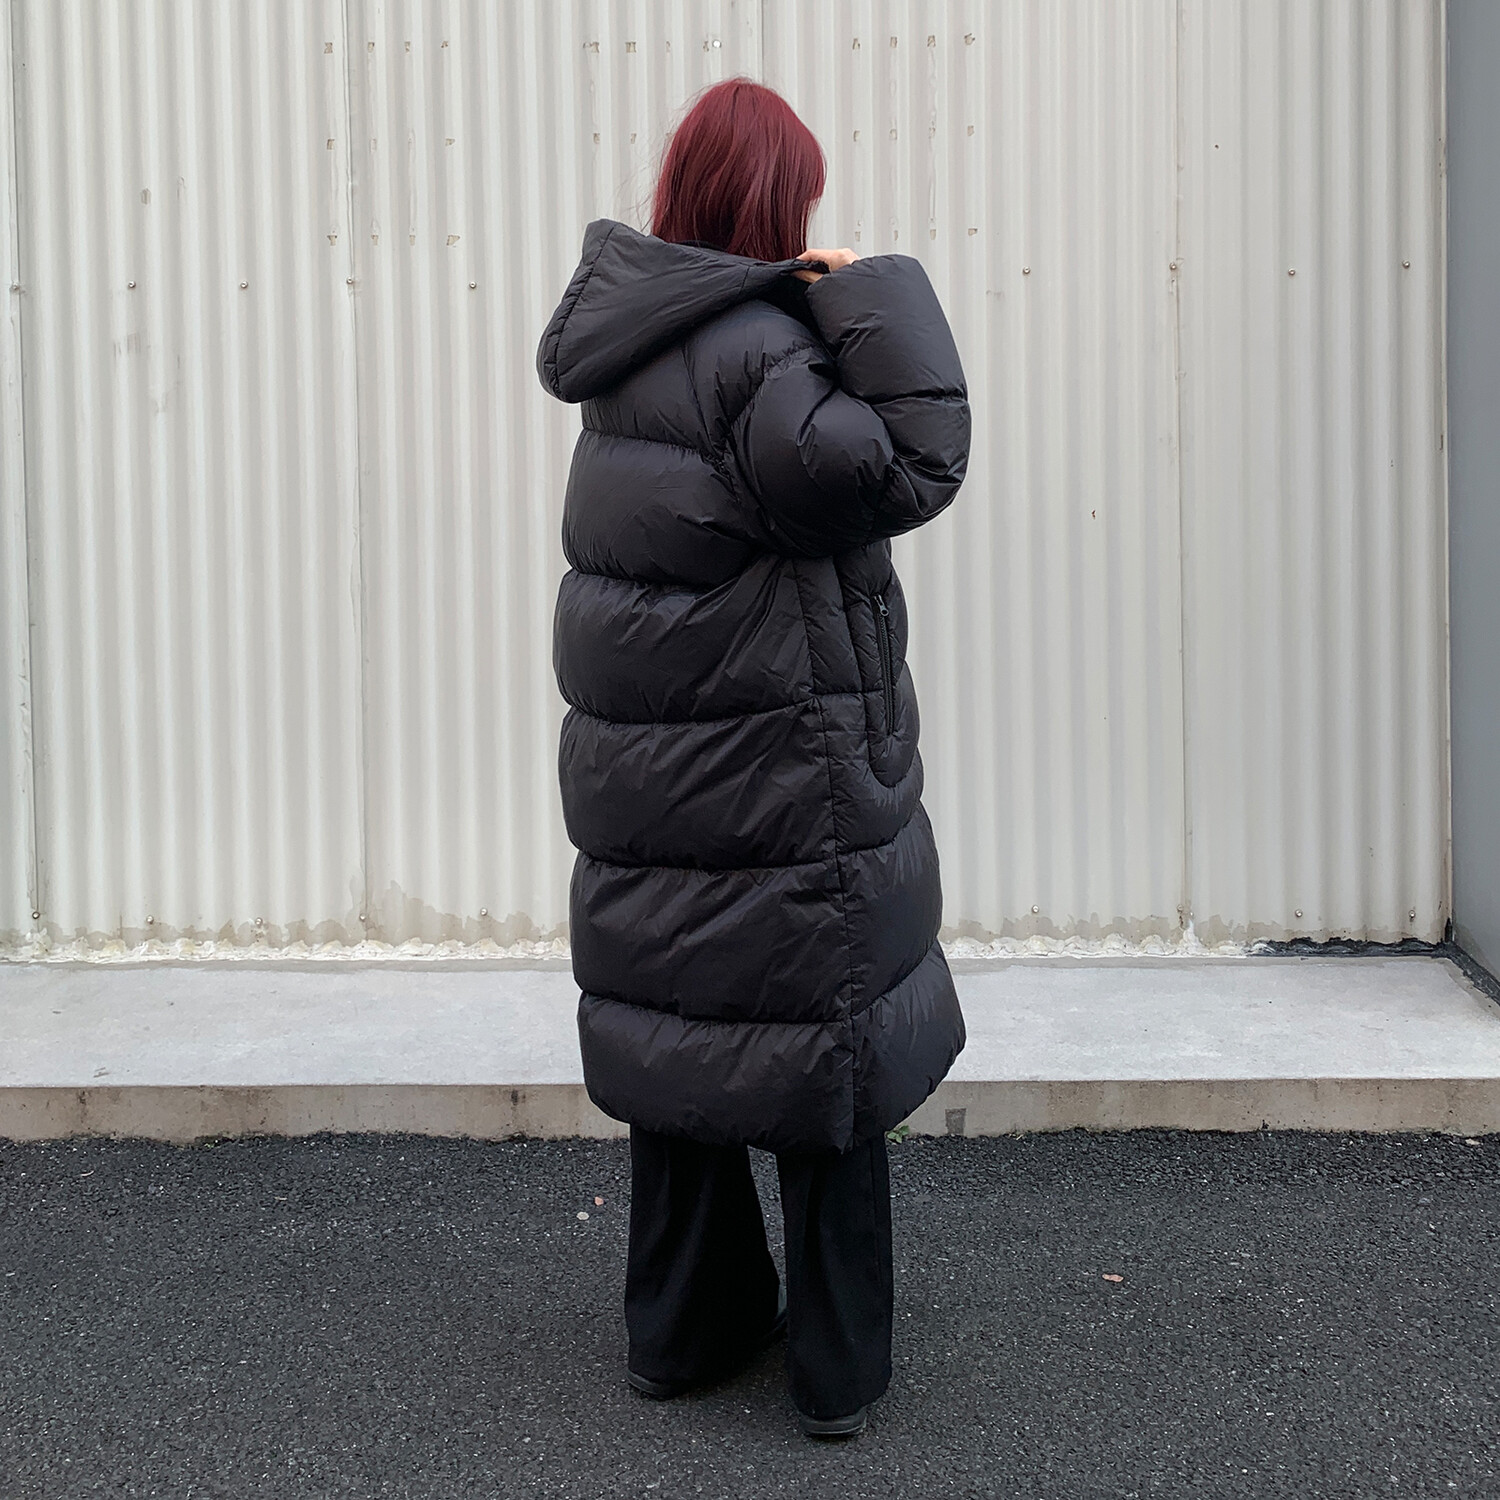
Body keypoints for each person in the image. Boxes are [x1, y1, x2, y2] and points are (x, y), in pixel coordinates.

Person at [536, 76, 971, 1439]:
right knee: (824, 1064)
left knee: (685, 1048)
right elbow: (914, 461)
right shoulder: (764, 354)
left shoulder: (629, 360)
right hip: (783, 778)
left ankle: (684, 1332)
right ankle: (835, 1374)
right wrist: (871, 289)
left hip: (655, 784)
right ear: (779, 204)